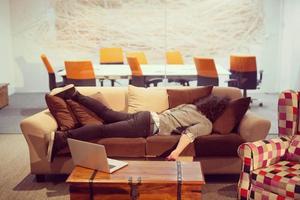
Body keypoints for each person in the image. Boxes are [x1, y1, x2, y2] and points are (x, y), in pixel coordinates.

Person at [47, 85, 229, 162]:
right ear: (218, 112)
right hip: (146, 126)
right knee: (103, 130)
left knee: (106, 114)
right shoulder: (206, 124)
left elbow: (169, 114)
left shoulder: (191, 107)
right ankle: (63, 138)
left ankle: (74, 95)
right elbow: (188, 135)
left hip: (146, 116)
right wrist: (175, 152)